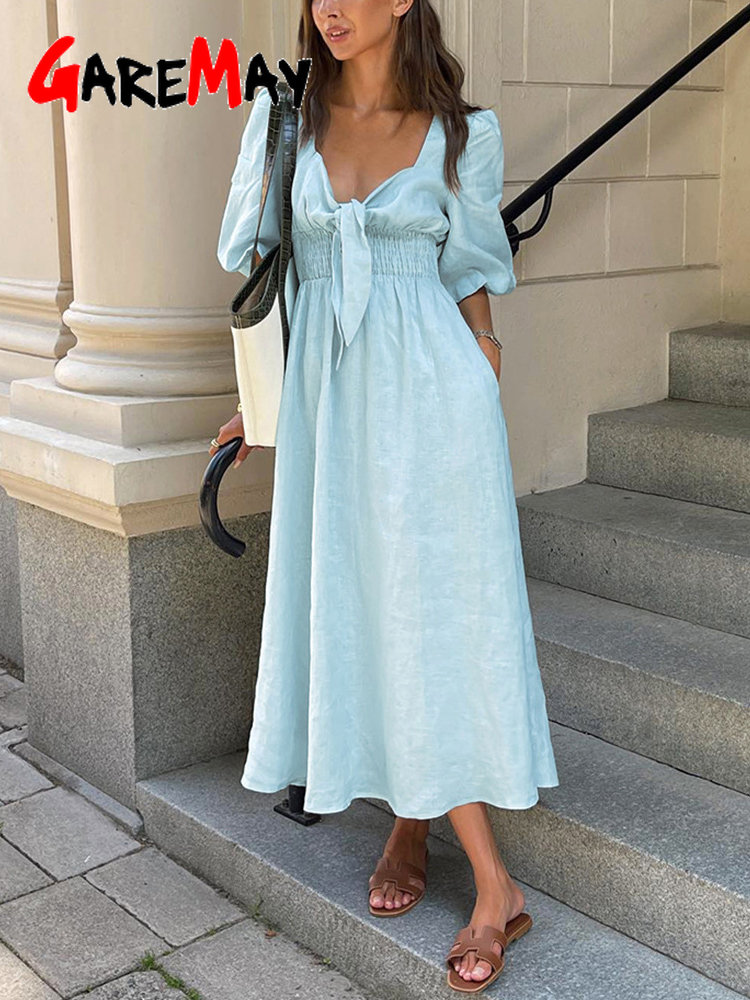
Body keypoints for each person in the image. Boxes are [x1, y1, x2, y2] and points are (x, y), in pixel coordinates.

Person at [212, 0, 559, 991]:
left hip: (435, 407)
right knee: (371, 612)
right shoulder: (284, 120)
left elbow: (471, 274)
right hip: (330, 410)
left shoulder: (463, 135)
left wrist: (483, 363)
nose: (329, 6)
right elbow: (265, 270)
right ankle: (412, 825)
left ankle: (493, 884)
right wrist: (257, 404)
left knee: (430, 619)